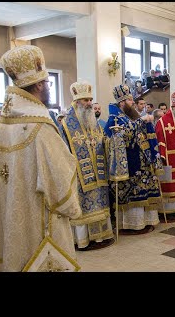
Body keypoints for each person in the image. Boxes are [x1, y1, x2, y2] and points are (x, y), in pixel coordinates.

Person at [0, 45, 82, 271]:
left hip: (13, 219)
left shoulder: (2, 126)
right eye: (49, 83)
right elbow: (60, 185)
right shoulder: (40, 128)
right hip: (42, 225)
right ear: (39, 84)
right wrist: (74, 208)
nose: (49, 88)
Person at [59, 81, 114, 250]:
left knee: (99, 205)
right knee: (83, 209)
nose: (90, 103)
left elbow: (101, 142)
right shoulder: (66, 125)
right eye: (85, 100)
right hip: (78, 176)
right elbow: (62, 151)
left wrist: (112, 142)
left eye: (90, 99)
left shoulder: (94, 122)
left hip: (98, 173)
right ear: (76, 102)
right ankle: (82, 239)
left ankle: (100, 237)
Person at [104, 84, 162, 234]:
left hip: (142, 162)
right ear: (122, 102)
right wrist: (141, 121)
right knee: (133, 196)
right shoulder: (114, 119)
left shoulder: (129, 116)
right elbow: (123, 136)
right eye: (130, 101)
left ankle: (144, 221)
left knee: (145, 192)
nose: (133, 104)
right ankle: (132, 224)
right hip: (128, 166)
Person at [155, 91, 175, 221]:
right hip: (168, 160)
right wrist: (162, 156)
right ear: (173, 107)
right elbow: (160, 139)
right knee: (168, 185)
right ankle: (167, 212)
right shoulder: (162, 122)